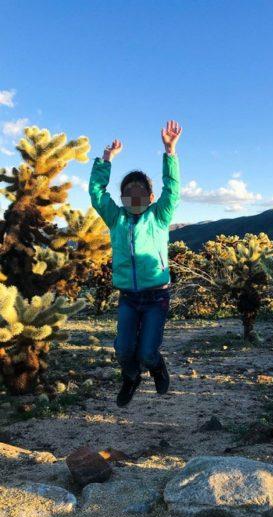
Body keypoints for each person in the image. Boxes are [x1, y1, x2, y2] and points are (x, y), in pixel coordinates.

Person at [88, 120, 182, 406]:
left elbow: (173, 189)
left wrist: (170, 152)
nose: (135, 199)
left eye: (141, 194)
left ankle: (155, 366)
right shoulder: (115, 218)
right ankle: (131, 377)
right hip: (128, 296)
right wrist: (105, 161)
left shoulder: (159, 216)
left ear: (150, 198)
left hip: (156, 296)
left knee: (146, 352)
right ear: (122, 199)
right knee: (123, 349)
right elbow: (96, 193)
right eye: (129, 195)